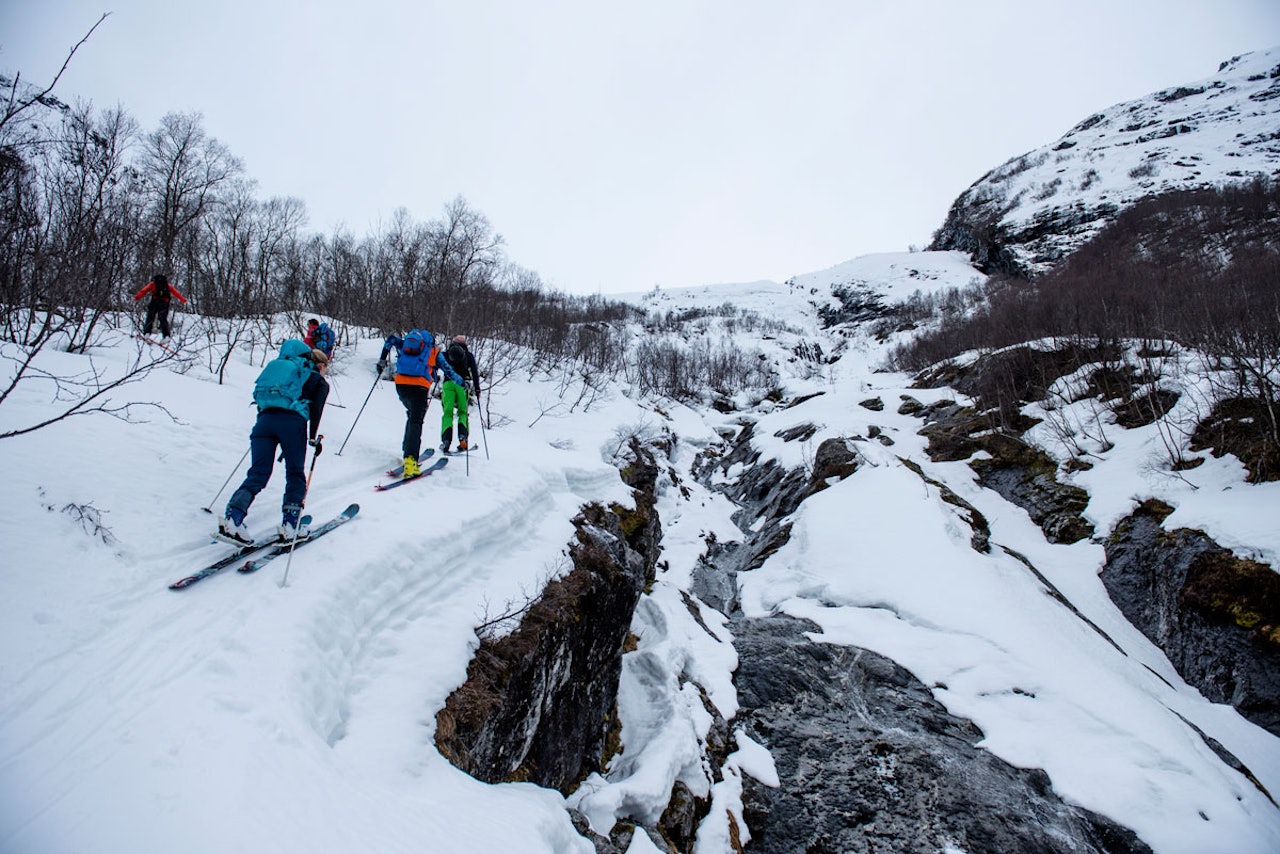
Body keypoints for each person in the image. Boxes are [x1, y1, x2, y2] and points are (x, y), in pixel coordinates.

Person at [218, 342, 330, 545]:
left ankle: (233, 517)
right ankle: (290, 525)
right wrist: (313, 438)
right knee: (295, 473)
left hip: (264, 423)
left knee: (257, 473)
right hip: (292, 424)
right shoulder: (317, 381)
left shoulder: (281, 369)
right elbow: (317, 412)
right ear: (320, 365)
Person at [376, 328, 463, 477]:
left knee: (411, 416)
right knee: (416, 421)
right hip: (419, 388)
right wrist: (462, 382)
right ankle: (410, 460)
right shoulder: (433, 352)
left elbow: (390, 339)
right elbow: (449, 371)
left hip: (401, 385)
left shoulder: (405, 345)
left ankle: (406, 448)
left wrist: (382, 360)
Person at [439, 334, 482, 453]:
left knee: (447, 412)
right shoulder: (468, 355)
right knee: (462, 412)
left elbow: (435, 365)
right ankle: (463, 438)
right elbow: (474, 372)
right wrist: (477, 389)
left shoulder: (446, 354)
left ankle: (446, 441)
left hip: (448, 384)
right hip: (463, 385)